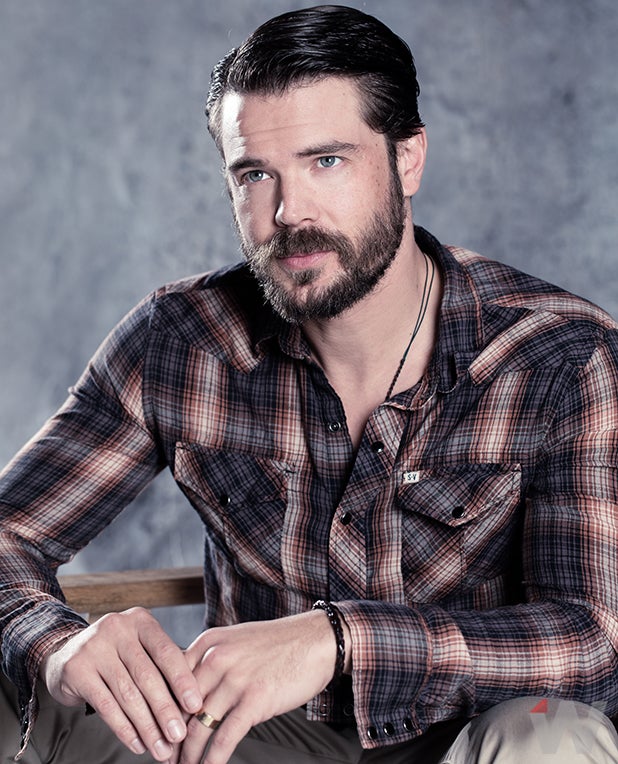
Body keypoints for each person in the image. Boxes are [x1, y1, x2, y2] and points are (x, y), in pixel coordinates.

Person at [1, 5, 618, 763]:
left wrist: (338, 640)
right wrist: (55, 646)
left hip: (469, 733)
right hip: (256, 737)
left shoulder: (559, 356)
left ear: (408, 159)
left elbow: (594, 641)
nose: (289, 213)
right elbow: (8, 535)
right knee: (11, 676)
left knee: (551, 736)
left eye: (326, 161)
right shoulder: (180, 341)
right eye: (256, 175)